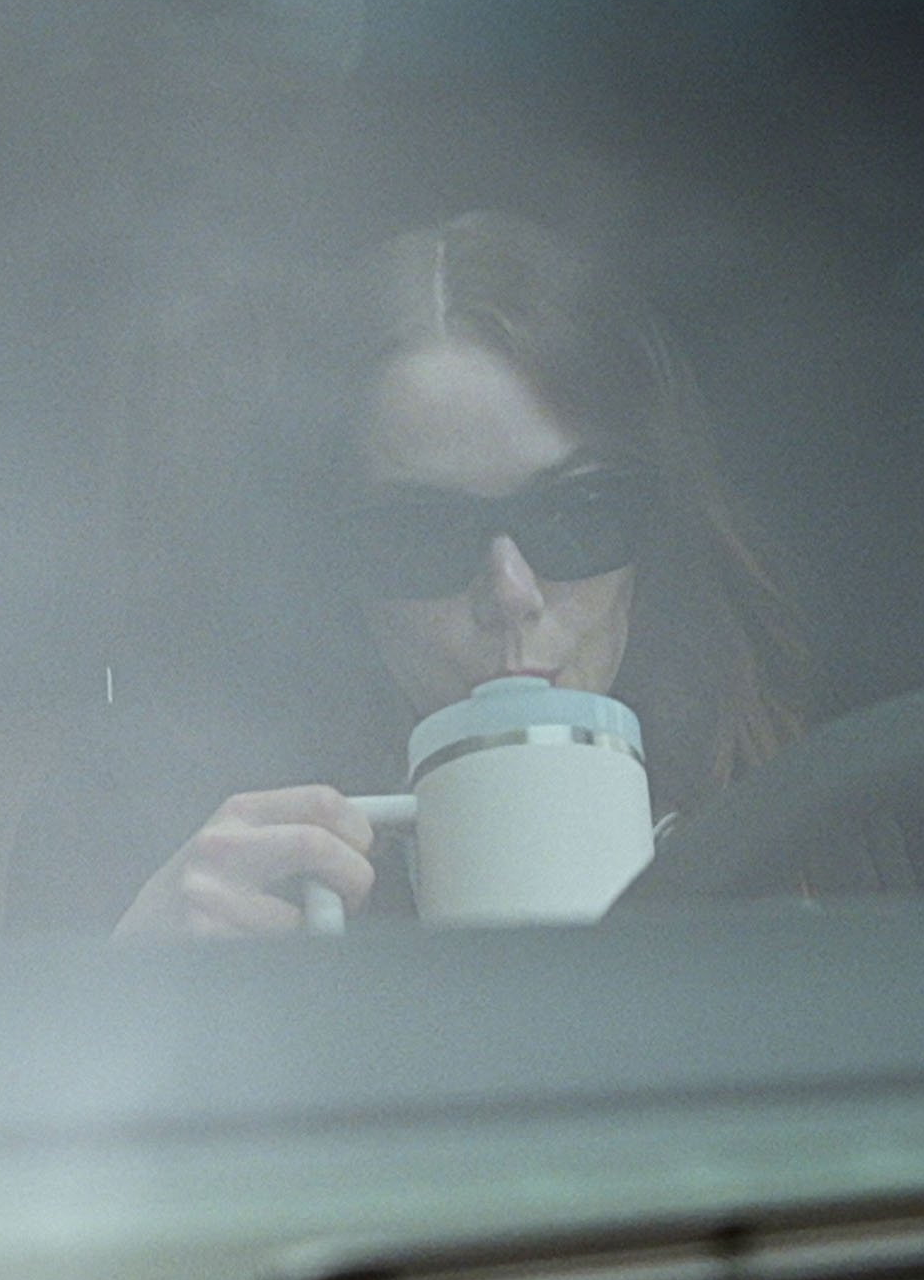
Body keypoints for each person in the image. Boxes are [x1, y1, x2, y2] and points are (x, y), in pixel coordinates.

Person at [95, 210, 808, 937]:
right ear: (335, 575)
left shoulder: (818, 808)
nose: (510, 593)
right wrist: (143, 991)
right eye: (421, 537)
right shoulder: (187, 839)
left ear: (657, 531)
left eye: (578, 515)